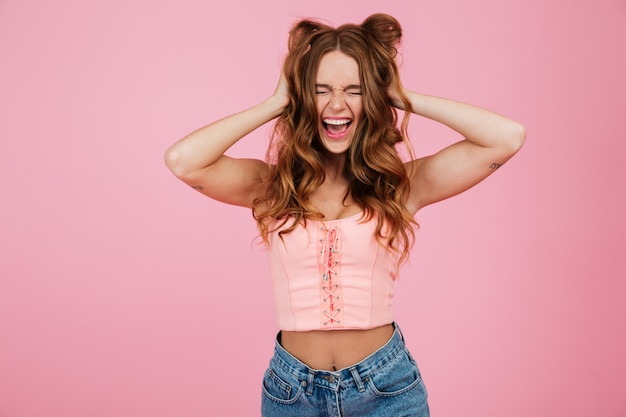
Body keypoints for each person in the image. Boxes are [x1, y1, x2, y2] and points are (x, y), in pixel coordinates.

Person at [164, 13, 525, 417]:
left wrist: (402, 96)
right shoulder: (271, 187)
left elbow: (506, 137)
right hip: (291, 394)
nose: (337, 105)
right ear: (303, 97)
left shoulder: (401, 185)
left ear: (372, 98)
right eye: (320, 90)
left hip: (387, 389)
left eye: (354, 90)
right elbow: (183, 161)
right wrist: (275, 103)